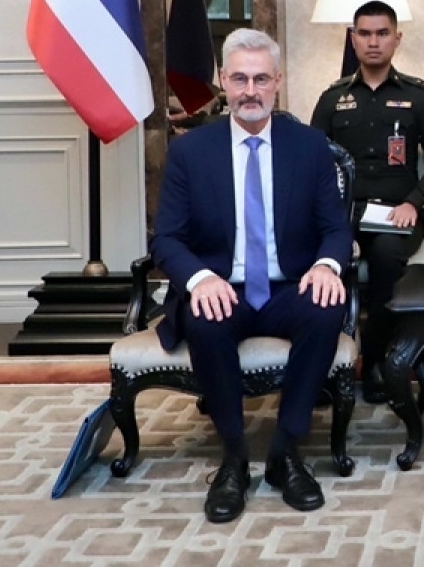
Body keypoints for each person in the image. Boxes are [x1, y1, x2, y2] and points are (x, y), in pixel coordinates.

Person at [150, 28, 351, 524]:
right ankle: (234, 459)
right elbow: (167, 239)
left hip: (289, 285)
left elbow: (335, 228)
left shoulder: (309, 147)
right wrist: (199, 278)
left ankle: (286, 452)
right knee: (206, 319)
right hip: (222, 286)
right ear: (223, 80)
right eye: (240, 78)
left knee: (327, 308)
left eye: (261, 79)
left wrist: (327, 265)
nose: (250, 91)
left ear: (278, 81)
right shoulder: (192, 152)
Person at [310, 0, 424, 404]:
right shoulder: (333, 98)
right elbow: (314, 166)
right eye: (365, 34)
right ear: (353, 39)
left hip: (398, 213)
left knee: (387, 257)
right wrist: (335, 224)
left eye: (382, 33)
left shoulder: (419, 97)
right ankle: (322, 368)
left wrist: (413, 204)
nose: (374, 42)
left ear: (397, 39)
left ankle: (373, 363)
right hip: (343, 214)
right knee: (322, 259)